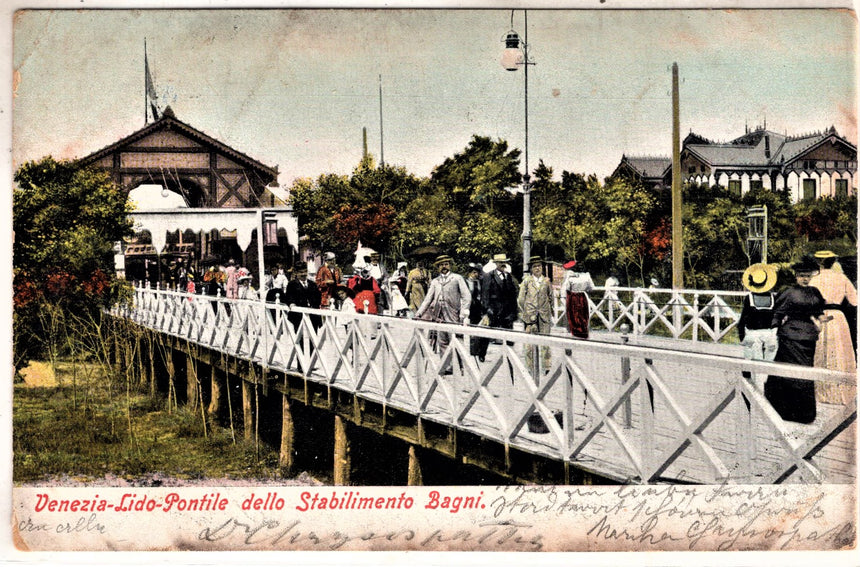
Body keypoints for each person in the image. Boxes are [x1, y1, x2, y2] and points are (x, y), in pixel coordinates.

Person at [765, 256, 827, 424]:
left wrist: (822, 320)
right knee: (788, 371)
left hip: (808, 337)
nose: (805, 279)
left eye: (808, 276)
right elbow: (777, 313)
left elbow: (818, 310)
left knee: (806, 372)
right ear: (796, 276)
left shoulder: (815, 292)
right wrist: (773, 330)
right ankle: (782, 410)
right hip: (790, 337)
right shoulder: (789, 292)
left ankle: (804, 414)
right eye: (802, 276)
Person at [810, 250, 857, 404]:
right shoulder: (842, 277)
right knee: (839, 352)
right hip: (837, 317)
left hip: (819, 316)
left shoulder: (813, 279)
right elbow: (854, 300)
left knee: (820, 353)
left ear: (819, 262)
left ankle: (822, 393)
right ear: (832, 261)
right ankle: (840, 393)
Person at [415, 255, 471, 372]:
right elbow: (428, 299)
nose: (443, 267)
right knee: (442, 341)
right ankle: (447, 366)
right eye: (441, 265)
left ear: (449, 265)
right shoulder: (435, 281)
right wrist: (419, 313)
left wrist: (462, 313)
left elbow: (467, 297)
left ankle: (458, 365)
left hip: (453, 314)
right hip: (438, 315)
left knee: (455, 340)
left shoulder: (457, 278)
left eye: (446, 264)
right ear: (438, 268)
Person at [518, 256, 554, 373]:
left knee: (546, 341)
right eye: (535, 266)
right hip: (530, 316)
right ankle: (530, 366)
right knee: (529, 343)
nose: (537, 268)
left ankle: (546, 366)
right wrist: (526, 314)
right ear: (531, 269)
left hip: (544, 315)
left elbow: (551, 297)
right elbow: (521, 299)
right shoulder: (527, 281)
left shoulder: (546, 281)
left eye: (539, 266)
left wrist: (549, 310)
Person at [737, 263, 779, 363]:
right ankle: (766, 376)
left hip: (753, 332)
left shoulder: (749, 298)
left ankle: (749, 373)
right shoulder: (773, 298)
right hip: (769, 333)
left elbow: (743, 319)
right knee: (770, 357)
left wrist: (741, 336)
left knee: (752, 355)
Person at [481, 253, 518, 332]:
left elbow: (513, 295)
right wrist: (486, 312)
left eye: (504, 262)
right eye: (500, 262)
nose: (503, 264)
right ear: (496, 263)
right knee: (494, 336)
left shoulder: (509, 276)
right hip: (494, 312)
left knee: (509, 339)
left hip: (507, 313)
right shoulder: (489, 276)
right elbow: (485, 295)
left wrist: (514, 312)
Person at [284, 261, 323, 334]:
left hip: (312, 315)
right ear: (296, 273)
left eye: (305, 272)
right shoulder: (292, 284)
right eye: (301, 272)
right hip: (299, 315)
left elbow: (318, 297)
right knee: (299, 336)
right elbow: (289, 297)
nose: (304, 274)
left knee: (313, 336)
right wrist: (292, 304)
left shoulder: (312, 284)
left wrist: (314, 305)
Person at [561, 260, 594, 339]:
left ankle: (575, 333)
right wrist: (586, 289)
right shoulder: (587, 276)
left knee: (574, 315)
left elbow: (566, 288)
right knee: (583, 315)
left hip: (573, 296)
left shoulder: (571, 277)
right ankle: (583, 332)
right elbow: (592, 287)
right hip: (583, 296)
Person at [464, 263, 487, 361]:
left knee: (482, 330)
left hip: (479, 308)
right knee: (471, 330)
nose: (475, 275)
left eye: (477, 273)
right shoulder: (465, 282)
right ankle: (473, 350)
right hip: (470, 309)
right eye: (474, 273)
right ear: (469, 273)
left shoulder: (480, 282)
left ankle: (481, 352)